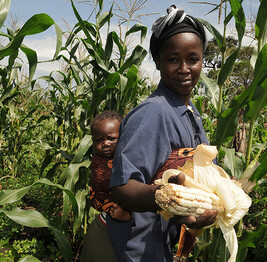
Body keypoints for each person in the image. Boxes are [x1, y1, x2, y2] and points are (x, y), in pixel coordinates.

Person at [108, 5, 218, 262]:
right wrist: (167, 198)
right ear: (158, 61)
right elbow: (122, 187)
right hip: (141, 250)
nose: (184, 68)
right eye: (172, 59)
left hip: (169, 248)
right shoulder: (153, 113)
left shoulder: (190, 112)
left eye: (193, 59)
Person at [80, 110, 131, 262]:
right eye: (99, 140)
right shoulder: (99, 162)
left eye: (111, 139)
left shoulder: (124, 156)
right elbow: (102, 190)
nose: (105, 144)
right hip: (106, 202)